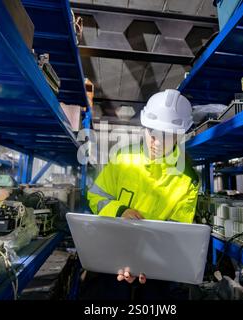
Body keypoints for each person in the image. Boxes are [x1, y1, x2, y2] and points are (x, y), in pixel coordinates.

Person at [82, 89, 199, 300]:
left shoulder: (188, 179)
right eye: (151, 131)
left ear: (178, 136)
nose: (155, 140)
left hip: (156, 265)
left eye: (164, 135)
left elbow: (177, 233)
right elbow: (96, 196)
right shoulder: (122, 157)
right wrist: (120, 211)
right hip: (114, 254)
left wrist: (147, 262)